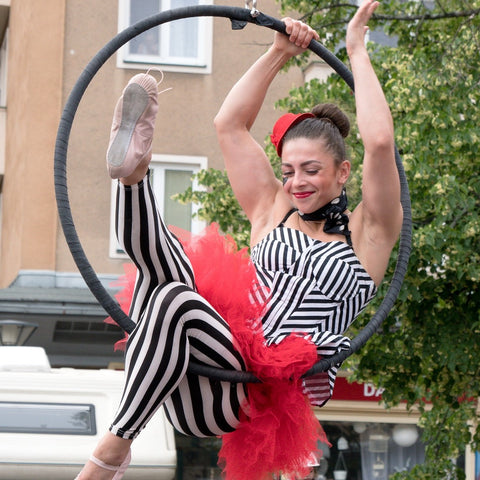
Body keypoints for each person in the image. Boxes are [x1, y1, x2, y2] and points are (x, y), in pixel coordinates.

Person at [75, 1, 402, 479]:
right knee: (169, 278)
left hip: (247, 396)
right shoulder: (274, 208)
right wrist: (278, 52)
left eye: (311, 170)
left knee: (175, 300)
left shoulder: (369, 233)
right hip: (197, 360)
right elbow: (229, 125)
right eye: (288, 170)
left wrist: (355, 49)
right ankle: (133, 177)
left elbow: (379, 143)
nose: (297, 182)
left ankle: (108, 455)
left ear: (343, 172)